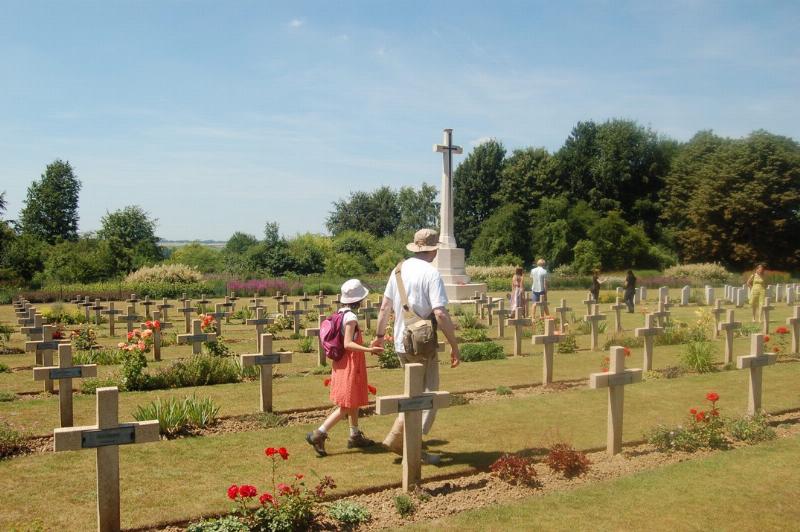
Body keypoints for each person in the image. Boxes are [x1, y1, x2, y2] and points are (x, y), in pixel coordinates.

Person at [372, 228, 460, 462]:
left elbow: (385, 308)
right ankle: (411, 445)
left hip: (402, 342)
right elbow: (440, 313)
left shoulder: (398, 270)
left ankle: (397, 439)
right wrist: (454, 344)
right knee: (428, 397)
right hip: (423, 344)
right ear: (433, 250)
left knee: (413, 392)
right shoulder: (431, 274)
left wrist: (380, 336)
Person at [306, 279, 384, 457]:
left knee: (352, 400)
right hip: (350, 362)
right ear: (359, 299)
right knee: (346, 404)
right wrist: (370, 349)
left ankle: (355, 435)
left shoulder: (340, 313)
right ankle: (319, 433)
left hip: (341, 363)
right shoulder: (351, 317)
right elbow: (348, 343)